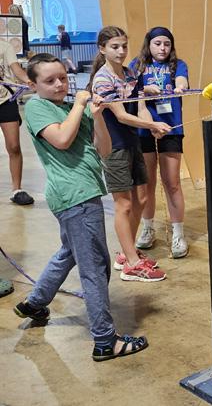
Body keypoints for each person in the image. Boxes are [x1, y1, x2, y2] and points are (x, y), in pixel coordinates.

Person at [13, 53, 149, 361]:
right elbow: (62, 139)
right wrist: (79, 105)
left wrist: (97, 115)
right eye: (49, 81)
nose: (59, 85)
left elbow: (105, 149)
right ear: (33, 85)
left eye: (63, 78)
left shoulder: (73, 108)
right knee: (95, 267)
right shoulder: (37, 107)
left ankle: (35, 302)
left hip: (86, 191)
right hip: (74, 196)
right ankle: (105, 340)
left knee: (71, 252)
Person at [89, 26, 171, 282]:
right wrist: (152, 125)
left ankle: (127, 252)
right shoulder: (102, 79)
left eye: (124, 46)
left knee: (141, 199)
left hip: (133, 141)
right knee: (123, 204)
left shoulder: (131, 73)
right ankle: (132, 264)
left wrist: (152, 126)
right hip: (114, 145)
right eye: (115, 47)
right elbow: (122, 116)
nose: (121, 51)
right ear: (102, 49)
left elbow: (140, 106)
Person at [130, 27, 189, 258]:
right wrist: (144, 88)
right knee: (147, 183)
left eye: (167, 44)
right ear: (149, 45)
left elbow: (182, 81)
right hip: (143, 127)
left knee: (172, 182)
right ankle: (148, 228)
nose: (162, 48)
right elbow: (128, 87)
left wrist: (180, 87)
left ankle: (178, 234)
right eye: (157, 43)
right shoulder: (137, 65)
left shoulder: (178, 65)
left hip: (170, 128)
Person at [0, 37, 34, 205]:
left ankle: (17, 190)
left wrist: (29, 81)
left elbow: (16, 69)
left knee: (14, 146)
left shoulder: (5, 46)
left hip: (6, 99)